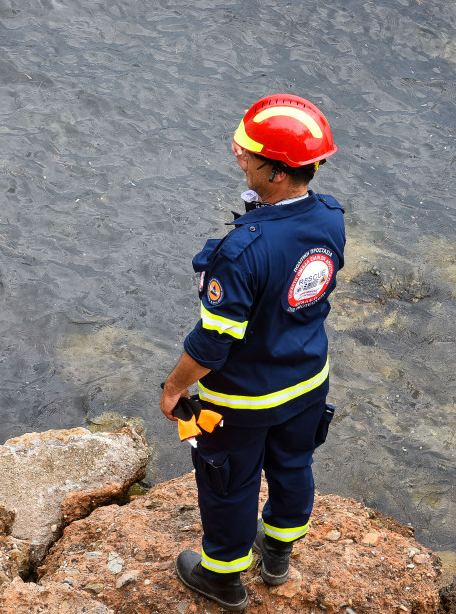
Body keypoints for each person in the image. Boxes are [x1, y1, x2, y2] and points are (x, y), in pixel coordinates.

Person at [160, 94, 345, 611]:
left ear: (278, 174)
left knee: (229, 483)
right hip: (308, 381)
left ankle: (221, 575)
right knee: (293, 466)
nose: (239, 155)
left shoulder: (241, 251)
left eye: (248, 153)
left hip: (243, 401)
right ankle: (278, 555)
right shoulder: (331, 218)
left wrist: (176, 387)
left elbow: (214, 341)